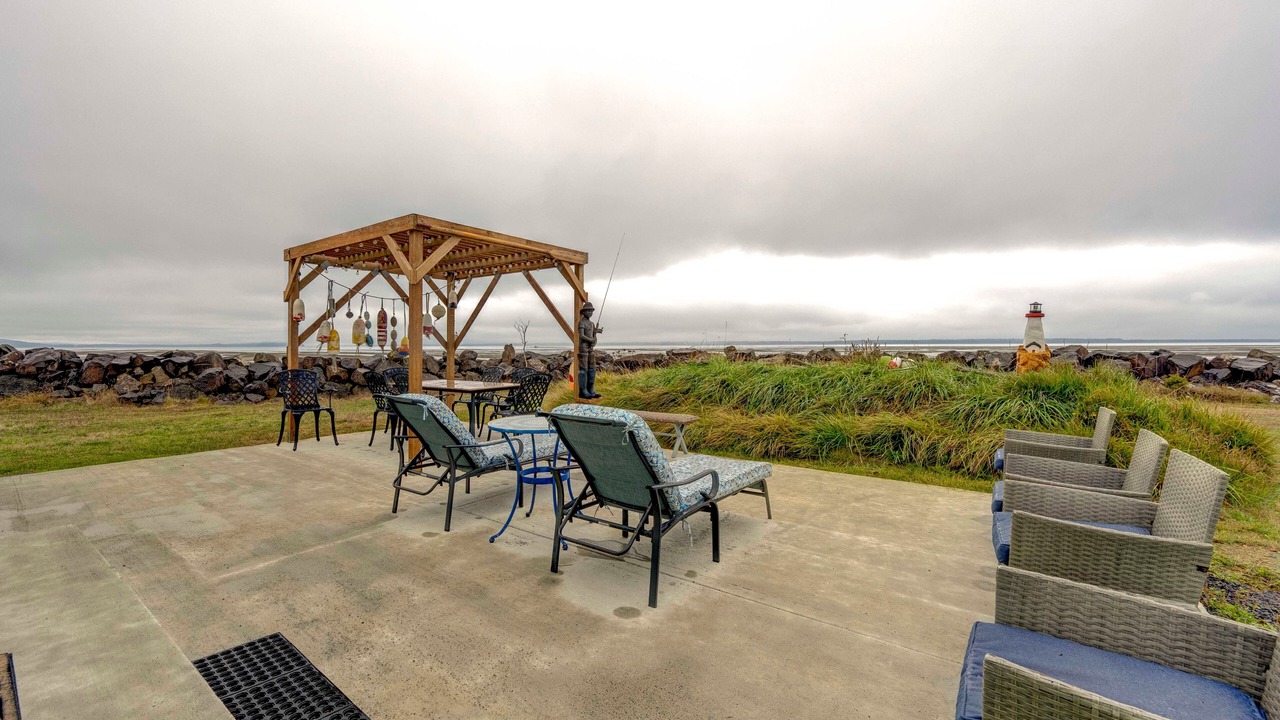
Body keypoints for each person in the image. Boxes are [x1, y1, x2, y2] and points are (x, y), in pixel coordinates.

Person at [577, 301, 602, 399]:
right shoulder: (581, 323)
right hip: (583, 349)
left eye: (592, 310)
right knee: (583, 370)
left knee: (592, 369)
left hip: (591, 349)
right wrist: (590, 339)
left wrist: (594, 338)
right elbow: (581, 336)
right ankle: (583, 391)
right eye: (589, 310)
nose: (591, 312)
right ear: (584, 312)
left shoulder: (591, 324)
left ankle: (590, 389)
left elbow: (593, 338)